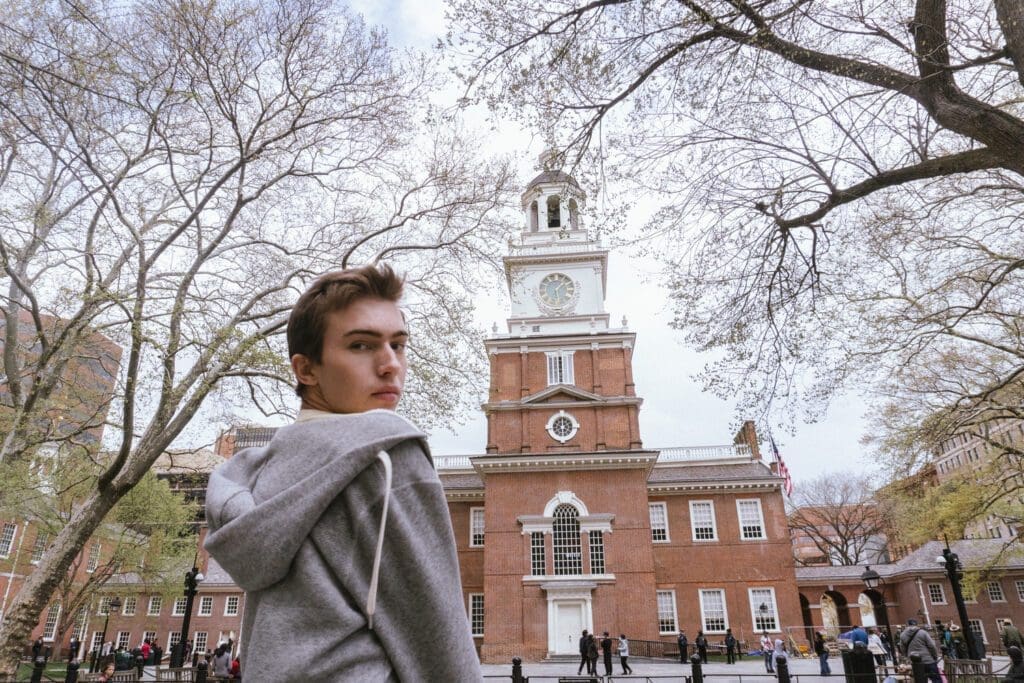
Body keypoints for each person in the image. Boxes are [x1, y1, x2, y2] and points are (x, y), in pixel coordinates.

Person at [204, 265, 480, 681]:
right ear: (306, 370)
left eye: (399, 345)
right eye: (362, 346)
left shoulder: (256, 472)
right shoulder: (384, 454)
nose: (391, 365)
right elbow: (436, 637)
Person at [899, 618, 942, 683]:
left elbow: (902, 648)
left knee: (919, 680)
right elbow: (932, 646)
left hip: (914, 662)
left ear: (908, 625)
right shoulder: (923, 632)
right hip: (928, 660)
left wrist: (908, 657)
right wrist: (935, 656)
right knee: (936, 679)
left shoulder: (902, 635)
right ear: (916, 624)